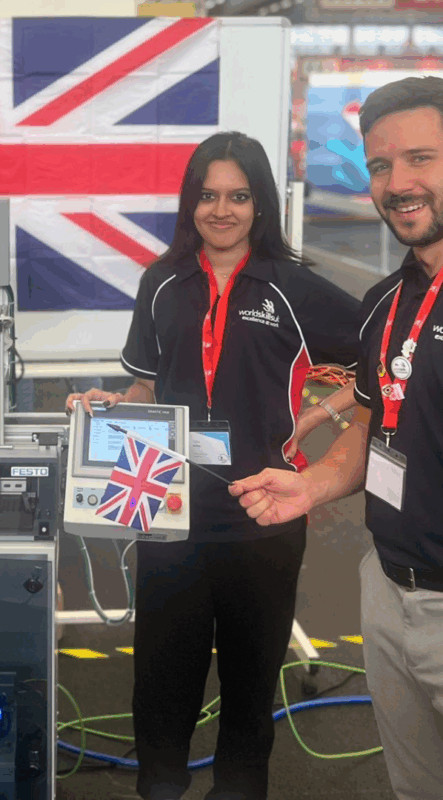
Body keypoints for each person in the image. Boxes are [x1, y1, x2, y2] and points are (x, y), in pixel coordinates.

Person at [66, 131, 360, 800]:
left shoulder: (291, 286)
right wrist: (112, 404)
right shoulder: (162, 281)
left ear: (260, 205)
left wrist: (322, 416)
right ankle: (160, 786)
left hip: (265, 517)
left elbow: (380, 351)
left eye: (237, 196)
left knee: (250, 695)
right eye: (207, 196)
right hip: (168, 515)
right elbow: (145, 386)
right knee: (161, 690)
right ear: (189, 203)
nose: (221, 210)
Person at [230, 76, 443, 800]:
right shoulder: (386, 303)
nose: (399, 184)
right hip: (387, 590)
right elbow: (373, 421)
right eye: (381, 166)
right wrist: (313, 484)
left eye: (421, 159)